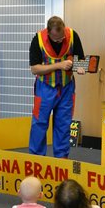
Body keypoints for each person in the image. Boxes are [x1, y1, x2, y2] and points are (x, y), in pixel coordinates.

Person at [29, 16, 85, 158]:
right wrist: (59, 65)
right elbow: (34, 69)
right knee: (39, 124)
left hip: (66, 88)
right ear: (48, 33)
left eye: (62, 38)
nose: (60, 41)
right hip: (44, 88)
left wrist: (80, 67)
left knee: (63, 125)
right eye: (56, 39)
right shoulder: (38, 39)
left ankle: (61, 160)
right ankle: (36, 159)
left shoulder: (72, 35)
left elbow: (81, 60)